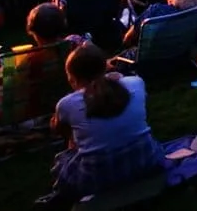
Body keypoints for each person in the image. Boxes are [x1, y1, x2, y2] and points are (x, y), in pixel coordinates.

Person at [41, 43, 163, 207]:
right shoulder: (136, 83)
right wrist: (116, 77)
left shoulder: (67, 104)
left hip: (96, 178)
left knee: (63, 160)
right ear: (105, 66)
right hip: (148, 161)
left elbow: (60, 132)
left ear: (72, 78)